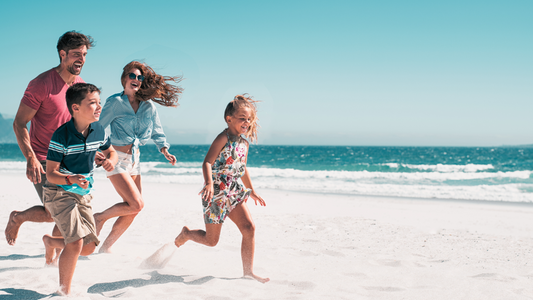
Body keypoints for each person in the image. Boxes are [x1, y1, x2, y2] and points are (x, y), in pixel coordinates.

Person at [6, 31, 95, 246]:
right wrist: (31, 158)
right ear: (62, 54)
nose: (81, 59)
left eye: (84, 54)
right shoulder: (41, 84)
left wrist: (92, 149)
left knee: (60, 211)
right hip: (45, 159)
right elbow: (19, 123)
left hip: (70, 159)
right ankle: (18, 219)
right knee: (58, 212)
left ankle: (52, 249)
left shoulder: (80, 85)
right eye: (76, 54)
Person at [174, 94, 270, 283]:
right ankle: (186, 234)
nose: (246, 122)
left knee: (249, 228)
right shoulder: (223, 138)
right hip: (216, 192)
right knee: (211, 241)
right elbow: (207, 162)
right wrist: (209, 183)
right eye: (242, 118)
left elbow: (242, 169)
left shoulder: (244, 143)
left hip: (234, 190)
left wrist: (252, 190)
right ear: (229, 119)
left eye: (249, 119)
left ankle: (248, 272)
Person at [95, 61, 182, 253]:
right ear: (124, 78)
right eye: (132, 76)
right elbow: (97, 127)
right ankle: (99, 218)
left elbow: (157, 131)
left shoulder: (148, 106)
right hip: (115, 158)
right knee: (136, 203)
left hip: (135, 161)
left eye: (139, 77)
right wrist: (96, 150)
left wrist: (164, 150)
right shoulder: (115, 103)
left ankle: (106, 247)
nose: (135, 79)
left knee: (135, 208)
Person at [42, 83, 118, 295]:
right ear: (75, 108)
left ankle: (51, 242)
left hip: (83, 194)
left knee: (88, 247)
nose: (98, 107)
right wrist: (71, 178)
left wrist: (111, 160)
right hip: (59, 191)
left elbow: (111, 152)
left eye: (99, 102)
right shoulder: (61, 136)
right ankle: (63, 292)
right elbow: (50, 173)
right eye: (92, 103)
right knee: (75, 243)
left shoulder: (99, 130)